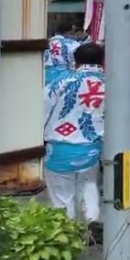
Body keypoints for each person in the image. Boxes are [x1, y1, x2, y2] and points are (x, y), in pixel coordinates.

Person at [44, 43, 107, 238]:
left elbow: (41, 111)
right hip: (91, 149)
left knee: (62, 197)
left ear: (75, 61)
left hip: (59, 149)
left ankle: (67, 235)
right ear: (102, 60)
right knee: (88, 185)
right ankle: (92, 219)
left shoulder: (59, 83)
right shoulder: (110, 83)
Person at [45, 21, 80, 86]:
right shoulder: (72, 43)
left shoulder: (45, 43)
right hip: (65, 77)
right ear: (68, 32)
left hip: (46, 76)